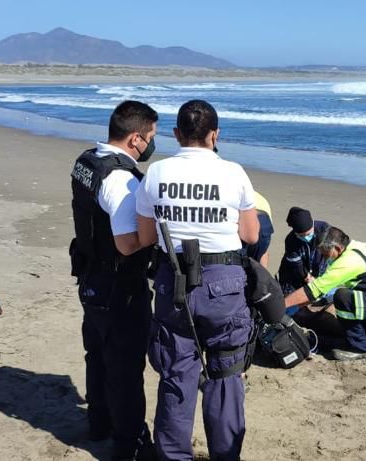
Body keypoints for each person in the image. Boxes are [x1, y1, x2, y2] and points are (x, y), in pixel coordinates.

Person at [135, 99, 258, 461]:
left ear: (177, 134)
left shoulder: (157, 173)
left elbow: (145, 237)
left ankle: (173, 456)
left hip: (172, 282)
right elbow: (250, 235)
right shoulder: (233, 172)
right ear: (215, 135)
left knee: (176, 375)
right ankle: (225, 454)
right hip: (224, 284)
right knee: (226, 375)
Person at [69, 100, 158, 459]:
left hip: (91, 276)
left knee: (97, 354)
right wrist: (153, 236)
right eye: (151, 136)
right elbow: (127, 243)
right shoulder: (121, 178)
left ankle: (99, 422)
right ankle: (130, 443)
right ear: (136, 138)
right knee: (125, 366)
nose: (152, 143)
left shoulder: (88, 161)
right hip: (119, 285)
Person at [283, 226, 366, 361]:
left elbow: (314, 290)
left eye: (325, 254)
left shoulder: (348, 261)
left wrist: (282, 305)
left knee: (343, 297)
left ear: (338, 248)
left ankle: (361, 348)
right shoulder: (358, 247)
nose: (324, 258)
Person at [277, 206, 330, 295]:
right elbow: (297, 265)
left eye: (308, 234)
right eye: (301, 235)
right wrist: (307, 277)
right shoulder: (290, 241)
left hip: (318, 268)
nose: (306, 237)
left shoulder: (325, 230)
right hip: (294, 273)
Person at [243, 191, 274, 268]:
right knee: (262, 253)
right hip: (264, 221)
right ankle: (263, 273)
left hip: (246, 217)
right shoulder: (259, 197)